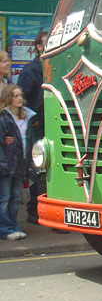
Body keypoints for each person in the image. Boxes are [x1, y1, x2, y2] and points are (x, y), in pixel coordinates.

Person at [18, 31, 47, 224]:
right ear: (38, 47)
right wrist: (34, 119)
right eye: (46, 43)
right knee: (38, 166)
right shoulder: (30, 71)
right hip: (38, 124)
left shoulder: (54, 66)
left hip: (53, 122)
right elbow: (22, 99)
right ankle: (33, 211)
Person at [0, 85, 35, 241]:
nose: (19, 98)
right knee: (4, 198)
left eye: (20, 95)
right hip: (7, 164)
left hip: (20, 164)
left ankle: (13, 226)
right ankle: (5, 229)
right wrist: (3, 164)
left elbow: (29, 141)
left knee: (15, 198)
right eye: (15, 96)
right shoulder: (4, 118)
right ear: (8, 98)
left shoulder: (25, 116)